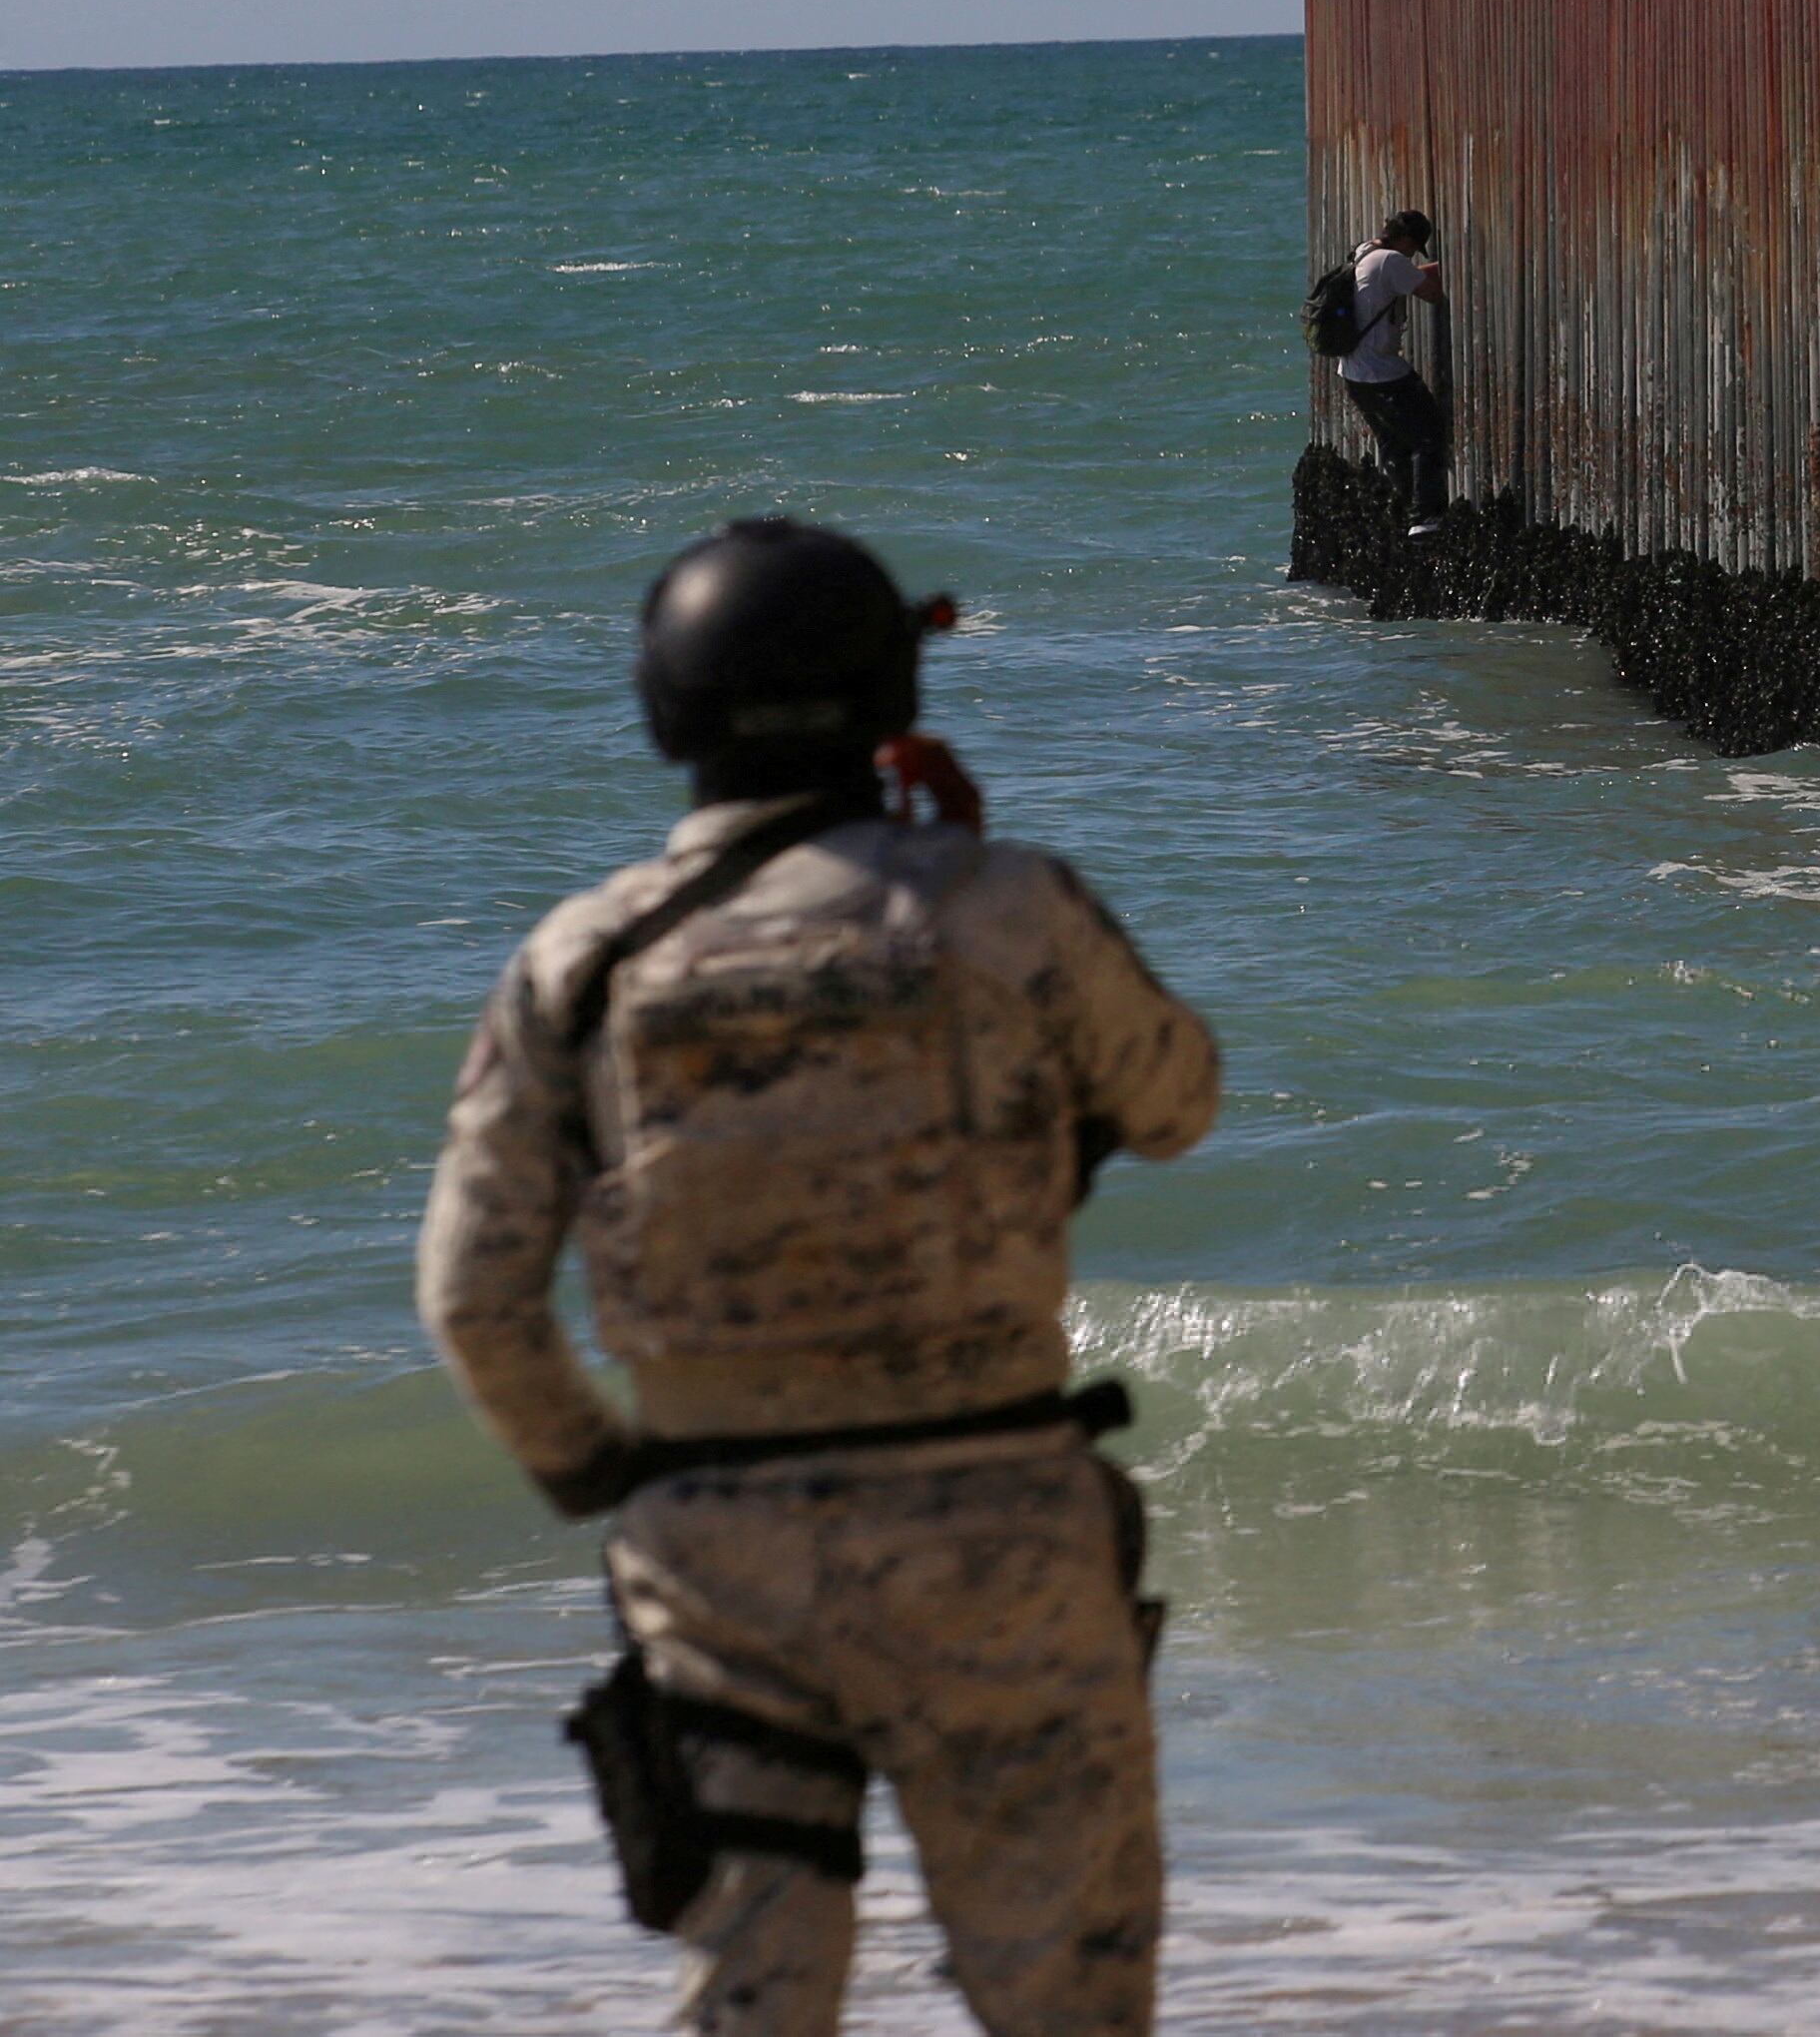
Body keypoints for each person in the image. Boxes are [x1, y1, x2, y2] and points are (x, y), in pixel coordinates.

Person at [417, 518, 1220, 2036]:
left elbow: (473, 1299)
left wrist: (615, 1474)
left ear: (668, 711)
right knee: (1068, 1996)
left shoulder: (582, 964)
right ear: (892, 696)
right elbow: (1175, 1099)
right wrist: (969, 863)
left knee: (752, 1997)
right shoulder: (1005, 909)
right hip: (992, 1527)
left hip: (721, 1560)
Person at [1334, 207, 1450, 530]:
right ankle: (1425, 516)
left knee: (1392, 441)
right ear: (1407, 240)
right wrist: (1447, 270)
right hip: (1382, 371)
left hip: (1353, 373)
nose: (1414, 256)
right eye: (1414, 248)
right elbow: (1432, 295)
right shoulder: (1392, 261)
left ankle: (1405, 507)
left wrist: (1420, 271)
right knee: (1428, 435)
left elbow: (1392, 282)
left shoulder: (1365, 251)